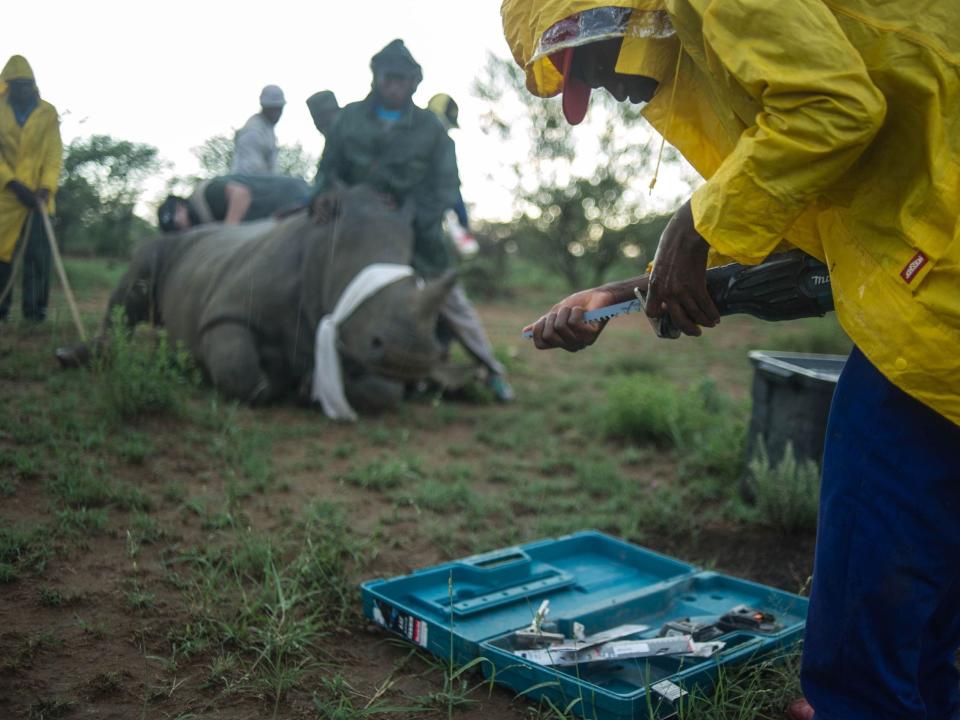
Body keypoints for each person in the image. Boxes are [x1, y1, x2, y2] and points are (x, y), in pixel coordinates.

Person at [501, 2, 960, 719]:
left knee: (870, 553)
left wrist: (693, 225)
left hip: (939, 299)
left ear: (599, 21)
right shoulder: (717, 72)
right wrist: (629, 290)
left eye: (582, 62)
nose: (603, 93)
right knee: (922, 576)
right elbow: (812, 248)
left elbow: (835, 108)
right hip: (928, 280)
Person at [313, 40, 514, 401]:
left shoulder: (430, 130)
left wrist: (410, 215)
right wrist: (323, 196)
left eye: (402, 79)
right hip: (355, 239)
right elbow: (327, 171)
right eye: (388, 77)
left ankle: (493, 372)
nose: (394, 85)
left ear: (414, 83)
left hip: (418, 239)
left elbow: (445, 186)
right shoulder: (349, 119)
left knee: (452, 305)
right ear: (375, 77)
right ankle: (320, 370)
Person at [0, 55, 62, 323]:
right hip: (6, 196)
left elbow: (53, 154)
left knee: (38, 256)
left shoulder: (47, 112)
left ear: (34, 84)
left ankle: (35, 315)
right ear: (7, 85)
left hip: (38, 197)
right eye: (16, 84)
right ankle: (1, 311)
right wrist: (13, 183)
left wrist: (46, 188)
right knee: (1, 255)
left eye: (27, 84)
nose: (22, 89)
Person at [157, 174, 309, 232]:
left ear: (180, 206)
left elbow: (241, 194)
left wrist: (227, 234)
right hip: (283, 217)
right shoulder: (204, 220)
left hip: (294, 199)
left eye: (179, 223)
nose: (183, 229)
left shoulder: (206, 195)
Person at [231, 85, 285, 175]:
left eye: (279, 109)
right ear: (264, 107)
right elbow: (252, 171)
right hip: (247, 184)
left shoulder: (267, 128)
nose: (277, 114)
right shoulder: (254, 131)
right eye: (273, 109)